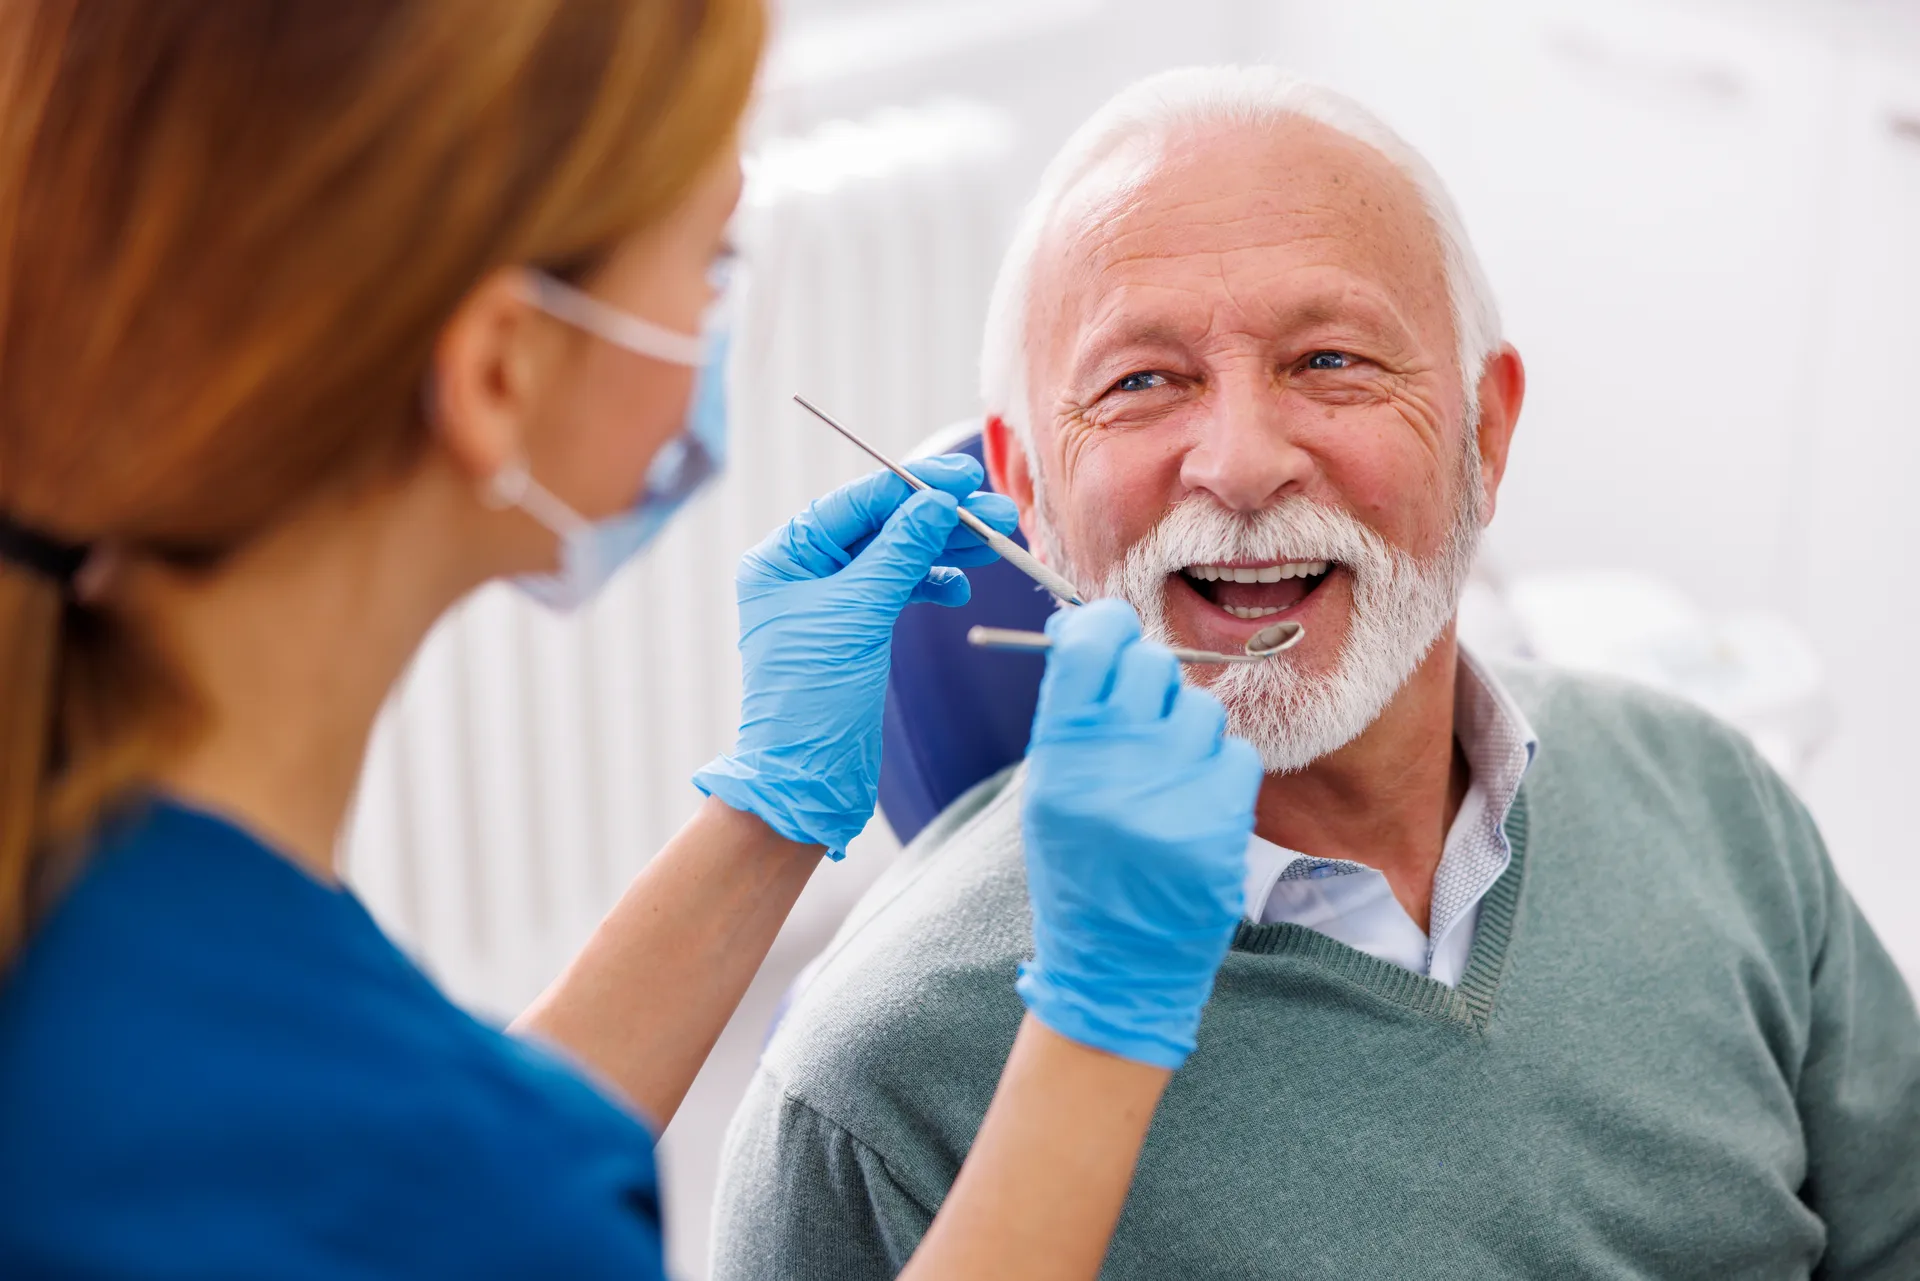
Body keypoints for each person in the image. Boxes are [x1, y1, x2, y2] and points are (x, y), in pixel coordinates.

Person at [0, 6, 1269, 1278]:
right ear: (499, 370)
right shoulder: (432, 1162)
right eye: (713, 265)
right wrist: (1105, 1022)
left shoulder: (117, 904)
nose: (1239, 462)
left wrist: (768, 812)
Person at [711, 66, 1920, 1280]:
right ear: (1023, 491)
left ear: (1485, 433)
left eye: (1330, 360)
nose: (1240, 465)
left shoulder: (1720, 802)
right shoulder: (873, 1102)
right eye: (1142, 381)